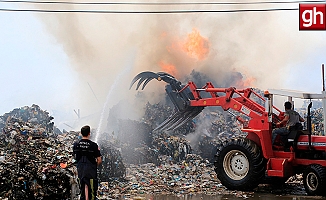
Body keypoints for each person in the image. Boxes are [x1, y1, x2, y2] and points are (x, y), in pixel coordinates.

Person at [73, 125, 102, 200]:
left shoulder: (76, 145)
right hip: (91, 171)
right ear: (89, 133)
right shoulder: (94, 145)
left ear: (81, 133)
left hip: (81, 170)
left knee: (82, 189)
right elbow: (99, 160)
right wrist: (94, 166)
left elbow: (75, 157)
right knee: (92, 190)